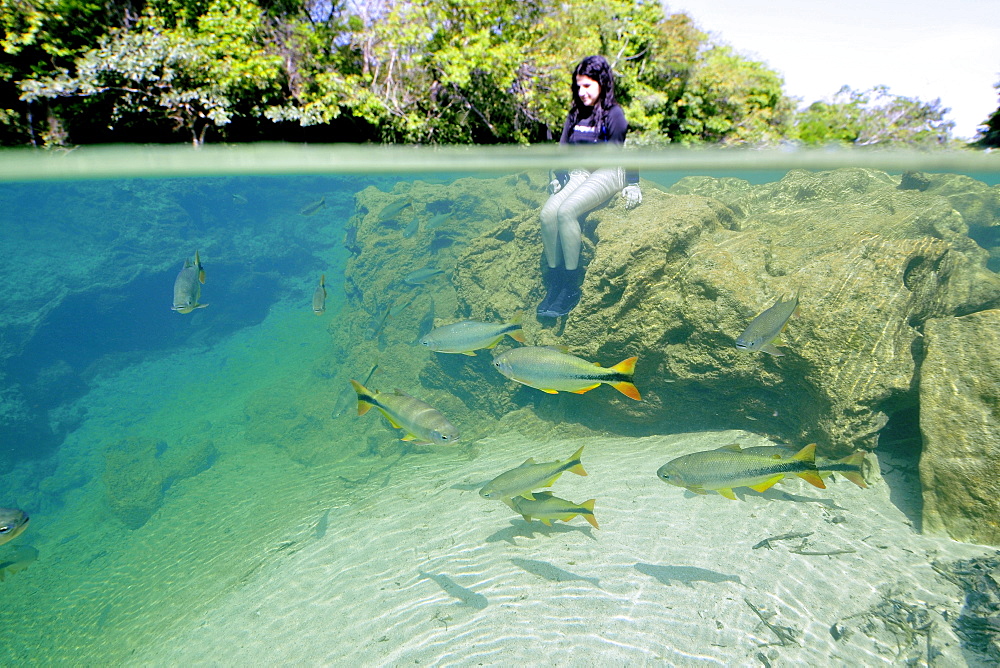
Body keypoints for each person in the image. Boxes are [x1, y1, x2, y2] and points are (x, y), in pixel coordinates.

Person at [536, 55, 642, 319]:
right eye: (578, 86)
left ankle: (571, 286)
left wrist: (633, 183)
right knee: (548, 214)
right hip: (581, 171)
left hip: (609, 171)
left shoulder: (613, 114)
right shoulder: (575, 114)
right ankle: (556, 281)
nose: (582, 92)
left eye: (588, 86)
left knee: (567, 211)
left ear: (602, 84)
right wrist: (558, 176)